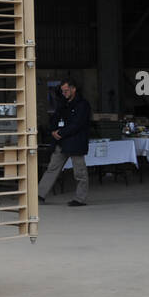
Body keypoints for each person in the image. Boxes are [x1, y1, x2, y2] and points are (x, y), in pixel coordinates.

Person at [37, 78, 92, 206]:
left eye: (66, 90)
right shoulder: (63, 104)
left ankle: (80, 198)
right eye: (62, 91)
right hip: (62, 142)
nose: (64, 93)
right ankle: (39, 195)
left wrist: (60, 133)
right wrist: (52, 131)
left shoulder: (83, 105)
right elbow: (55, 118)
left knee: (79, 172)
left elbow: (77, 124)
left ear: (74, 89)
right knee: (52, 168)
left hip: (75, 142)